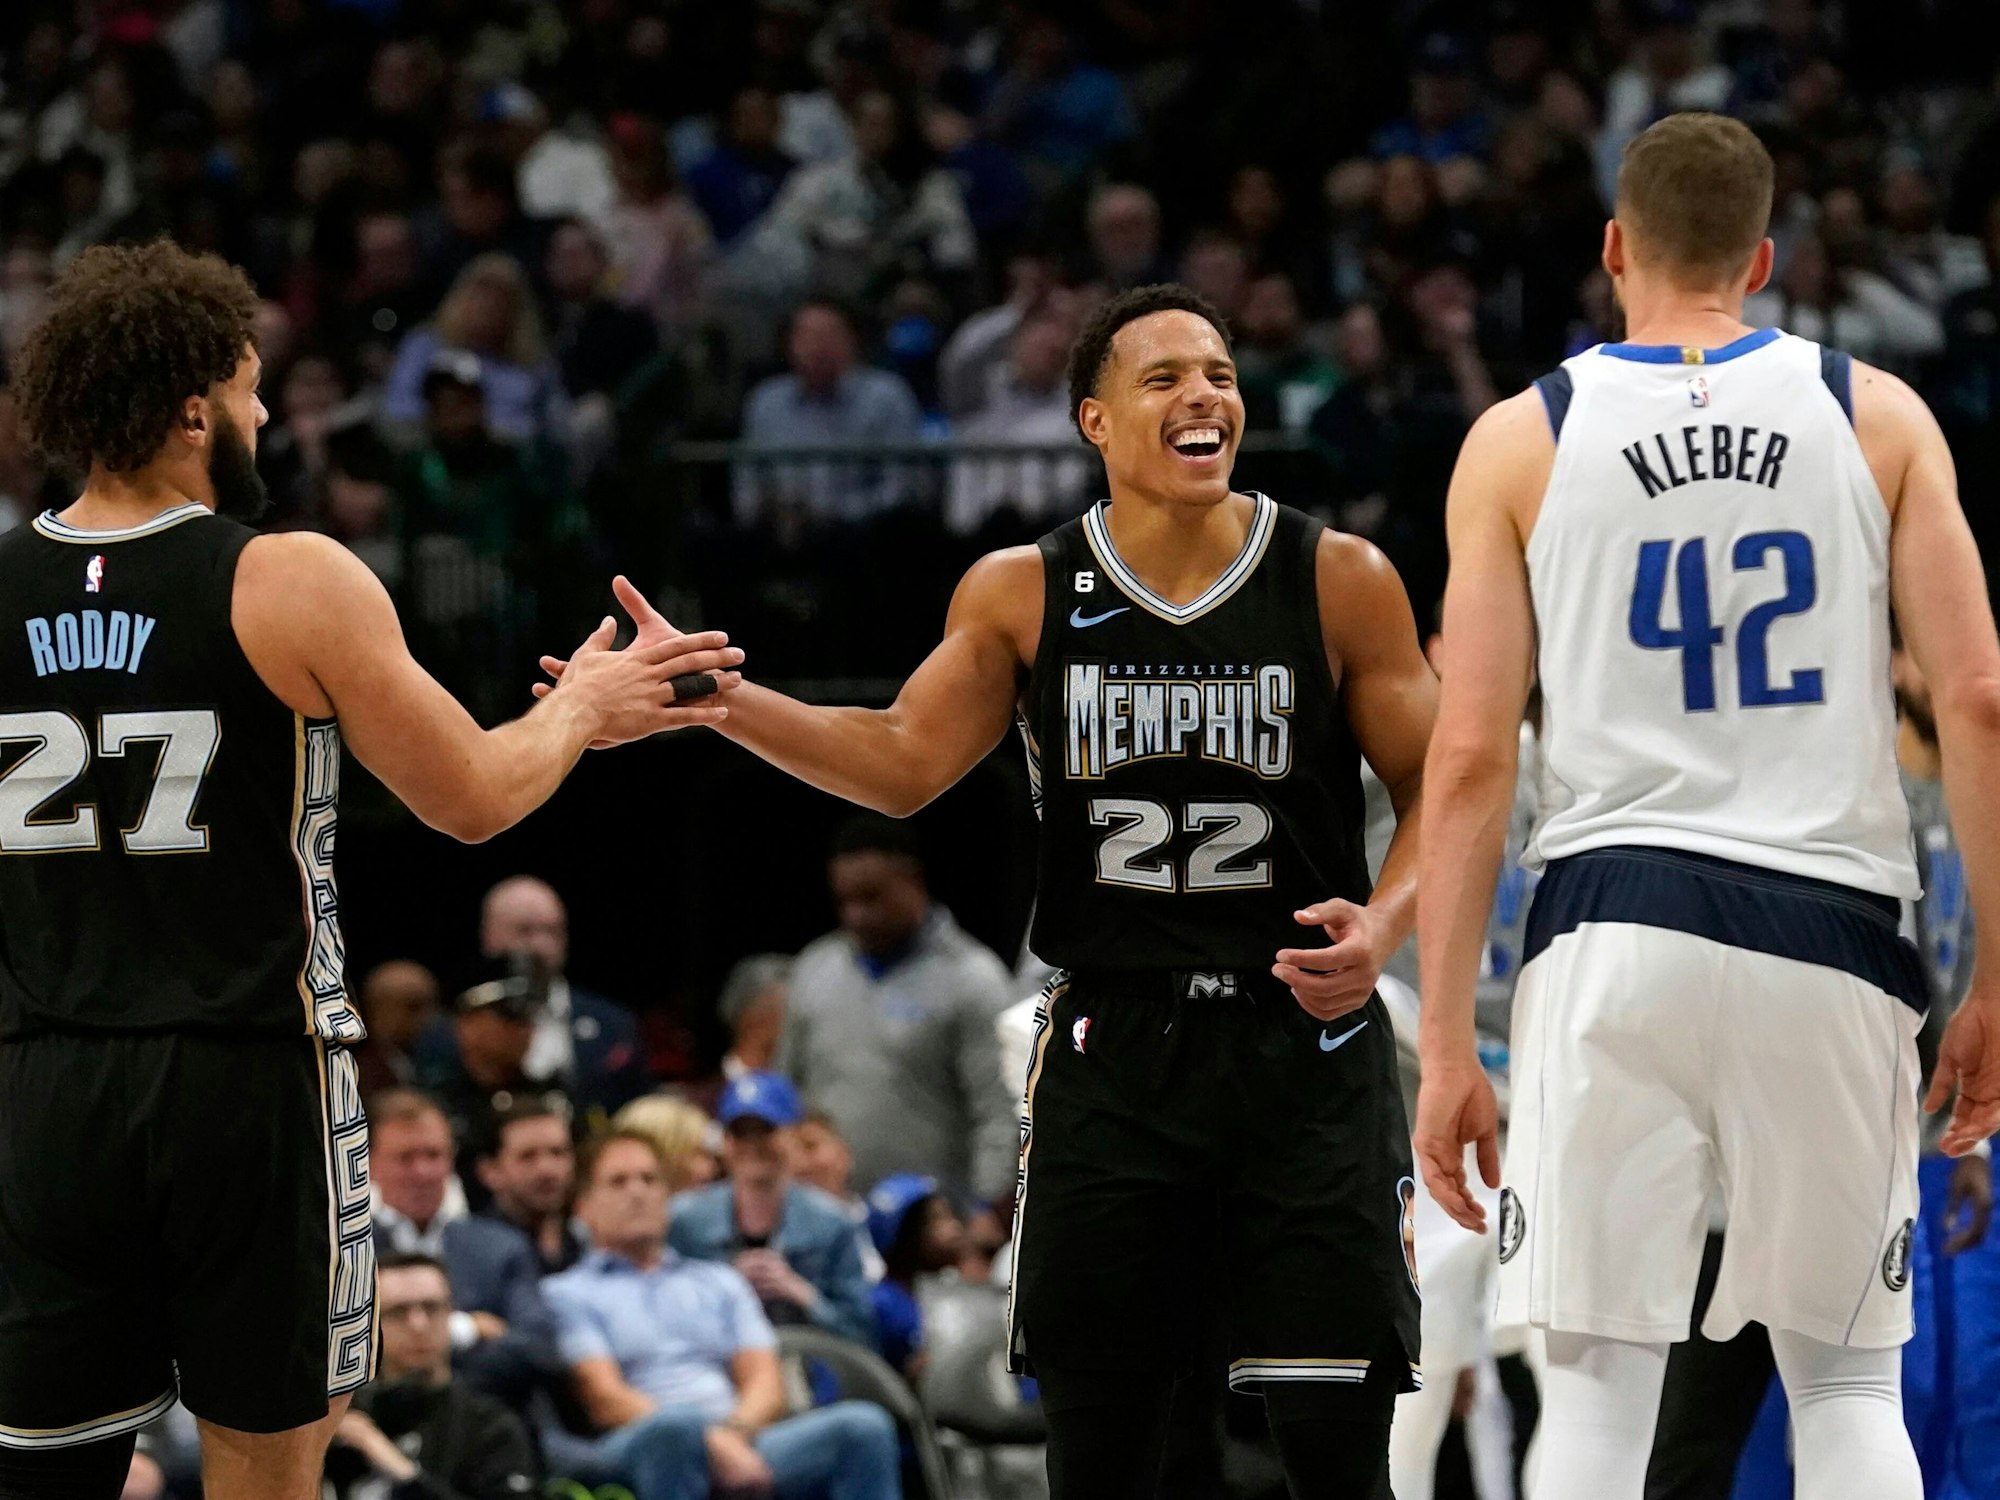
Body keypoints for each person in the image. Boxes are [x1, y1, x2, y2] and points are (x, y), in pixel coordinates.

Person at [543, 282, 1439, 1498]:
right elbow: (901, 762)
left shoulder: (1338, 578)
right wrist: (720, 704)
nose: (1203, 396)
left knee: (1335, 1455)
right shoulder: (1022, 589)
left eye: (1220, 374)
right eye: (1164, 377)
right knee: (1102, 1456)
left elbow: (1447, 789)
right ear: (1093, 422)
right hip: (1111, 1049)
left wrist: (1384, 922)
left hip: (1304, 1047)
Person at [0, 240, 736, 1499]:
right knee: (265, 1464)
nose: (265, 410)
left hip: (41, 1084)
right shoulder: (285, 576)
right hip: (248, 1075)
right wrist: (586, 705)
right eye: (245, 387)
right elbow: (473, 799)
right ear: (192, 410)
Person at [1414, 113, 2000, 1500]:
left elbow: (1470, 758)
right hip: (1836, 929)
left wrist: (1445, 1040)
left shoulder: (1519, 439)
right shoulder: (1877, 414)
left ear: (1613, 249)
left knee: (1598, 1393)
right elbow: (1974, 699)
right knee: (1848, 1384)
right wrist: (1990, 982)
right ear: (1766, 258)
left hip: (1612, 924)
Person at [543, 1130, 902, 1500]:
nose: (638, 1192)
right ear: (583, 1207)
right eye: (618, 1182)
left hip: (740, 1433)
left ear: (667, 1197)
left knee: (862, 1428)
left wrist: (734, 1434)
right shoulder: (566, 1293)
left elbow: (765, 1379)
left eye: (650, 1180)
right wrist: (709, 1439)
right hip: (641, 1442)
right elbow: (604, 1397)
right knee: (674, 1429)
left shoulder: (718, 1281)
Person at [778, 816, 1020, 1213]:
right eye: (844, 901)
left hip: (930, 1226)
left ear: (912, 879)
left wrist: (984, 1212)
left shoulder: (972, 978)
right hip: (825, 1216)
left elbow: (998, 1112)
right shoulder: (815, 968)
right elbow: (786, 1094)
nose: (855, 915)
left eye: (870, 897)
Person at [369, 1090, 561, 1407]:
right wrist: (467, 1328)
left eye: (433, 1156)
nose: (423, 1172)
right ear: (371, 1163)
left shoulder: (500, 1247)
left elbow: (540, 1348)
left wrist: (412, 1350)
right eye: (405, 1158)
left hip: (492, 1423)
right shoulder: (345, 1256)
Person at [668, 1072, 876, 1346]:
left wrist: (803, 1295)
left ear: (793, 1135)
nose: (752, 1145)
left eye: (765, 1130)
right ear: (725, 1141)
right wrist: (725, 1287)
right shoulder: (685, 1220)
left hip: (807, 1367)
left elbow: (863, 1333)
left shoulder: (832, 1223)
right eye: (740, 1133)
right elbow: (664, 1318)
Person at [324, 1253, 542, 1500]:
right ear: (371, 1323)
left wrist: (398, 1469)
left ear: (451, 1313)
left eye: (431, 1308)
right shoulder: (342, 1419)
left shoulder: (491, 1425)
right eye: (398, 1312)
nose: (418, 1325)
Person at [864, 1174, 969, 1379]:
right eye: (936, 1220)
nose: (955, 1229)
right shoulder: (879, 1305)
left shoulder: (954, 1294)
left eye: (950, 1215)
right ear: (904, 1236)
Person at [478, 1100, 585, 1277]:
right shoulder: (475, 1252)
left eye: (557, 1152)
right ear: (490, 1171)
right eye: (527, 1156)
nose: (546, 1170)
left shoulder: (590, 1243)